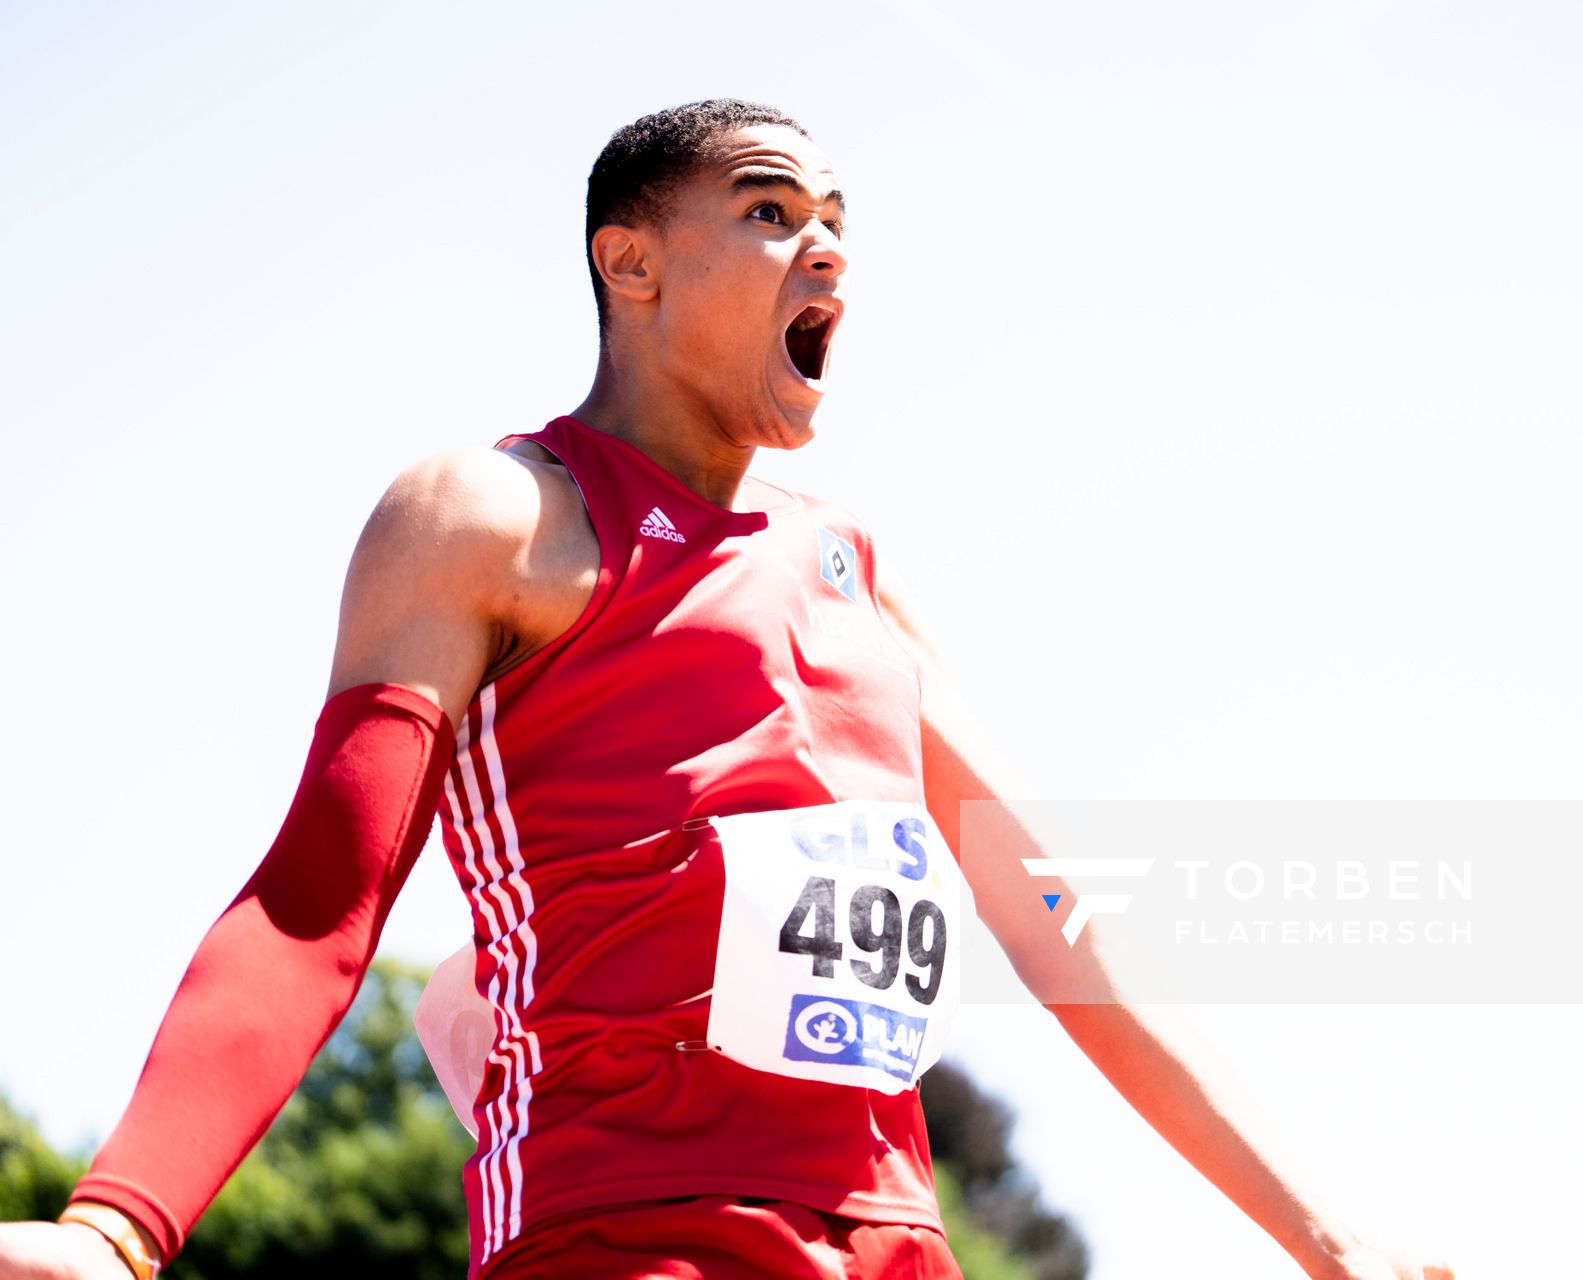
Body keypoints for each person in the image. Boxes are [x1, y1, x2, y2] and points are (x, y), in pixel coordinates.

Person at [0, 100, 1454, 1280]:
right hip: (626, 1238)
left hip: (893, 1250)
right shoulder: (501, 519)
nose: (821, 251)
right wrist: (119, 1225)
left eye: (837, 229)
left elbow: (1065, 925)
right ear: (628, 263)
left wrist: (1329, 1238)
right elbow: (321, 895)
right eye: (769, 213)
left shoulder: (859, 580)